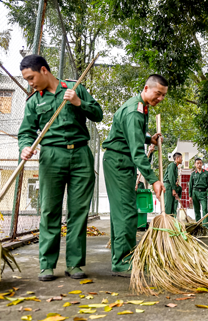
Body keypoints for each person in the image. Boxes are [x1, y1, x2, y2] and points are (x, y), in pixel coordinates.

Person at [17, 55, 104, 281]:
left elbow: (98, 114)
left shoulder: (74, 88)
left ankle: (74, 264)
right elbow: (26, 132)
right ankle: (47, 264)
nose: (30, 83)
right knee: (49, 210)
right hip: (51, 155)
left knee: (78, 212)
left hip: (81, 155)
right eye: (27, 80)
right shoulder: (35, 101)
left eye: (31, 78)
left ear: (44, 70)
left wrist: (78, 102)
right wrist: (25, 147)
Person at [101, 74, 167, 277]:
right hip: (119, 162)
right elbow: (137, 152)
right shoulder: (134, 111)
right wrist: (154, 179)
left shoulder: (141, 106)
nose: (160, 99)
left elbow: (135, 135)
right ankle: (122, 261)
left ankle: (121, 256)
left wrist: (150, 138)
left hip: (121, 161)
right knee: (127, 212)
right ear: (147, 88)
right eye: (158, 94)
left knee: (122, 211)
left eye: (163, 95)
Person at [188, 158, 208, 223]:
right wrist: (190, 196)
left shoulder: (206, 173)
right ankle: (198, 224)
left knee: (205, 209)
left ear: (202, 163)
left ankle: (205, 224)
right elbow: (190, 185)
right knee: (196, 210)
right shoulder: (193, 174)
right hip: (195, 193)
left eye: (200, 163)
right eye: (197, 163)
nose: (199, 164)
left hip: (203, 193)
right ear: (195, 164)